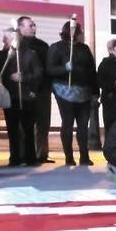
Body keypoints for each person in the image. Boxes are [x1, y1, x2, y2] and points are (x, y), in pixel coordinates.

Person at [47, 20, 97, 166]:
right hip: (64, 90)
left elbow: (91, 70)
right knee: (67, 122)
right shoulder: (56, 47)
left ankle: (84, 155)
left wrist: (95, 90)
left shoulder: (84, 49)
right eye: (80, 32)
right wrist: (64, 68)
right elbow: (50, 69)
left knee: (83, 124)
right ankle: (69, 156)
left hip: (83, 90)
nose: (82, 35)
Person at [0, 29, 43, 167]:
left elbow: (38, 74)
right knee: (12, 129)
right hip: (10, 97)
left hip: (26, 96)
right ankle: (15, 157)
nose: (8, 40)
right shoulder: (2, 55)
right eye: (7, 38)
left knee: (28, 128)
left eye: (12, 37)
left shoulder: (31, 54)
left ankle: (30, 157)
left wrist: (24, 77)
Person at [17, 16, 53, 163]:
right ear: (20, 28)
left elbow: (48, 68)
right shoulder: (17, 45)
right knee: (24, 124)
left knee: (43, 123)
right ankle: (24, 154)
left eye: (34, 25)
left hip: (43, 89)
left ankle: (42, 153)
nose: (34, 28)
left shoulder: (43, 45)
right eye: (30, 25)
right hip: (24, 89)